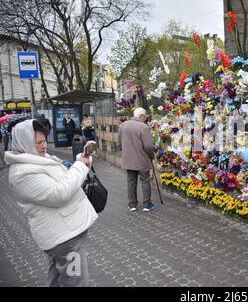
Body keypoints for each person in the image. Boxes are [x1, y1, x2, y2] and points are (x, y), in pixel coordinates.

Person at [4, 119, 97, 287]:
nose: (43, 145)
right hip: (64, 239)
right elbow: (59, 194)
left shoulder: (37, 158)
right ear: (24, 143)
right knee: (75, 282)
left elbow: (67, 173)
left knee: (57, 278)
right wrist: (81, 167)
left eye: (44, 140)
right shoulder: (22, 173)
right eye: (38, 142)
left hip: (65, 233)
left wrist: (83, 158)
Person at [118, 107, 156, 212]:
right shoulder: (143, 127)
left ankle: (132, 205)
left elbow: (119, 144)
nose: (146, 119)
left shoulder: (123, 125)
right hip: (142, 159)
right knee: (145, 181)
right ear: (142, 116)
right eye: (145, 117)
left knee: (131, 181)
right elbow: (148, 146)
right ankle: (146, 204)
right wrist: (151, 156)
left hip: (128, 160)